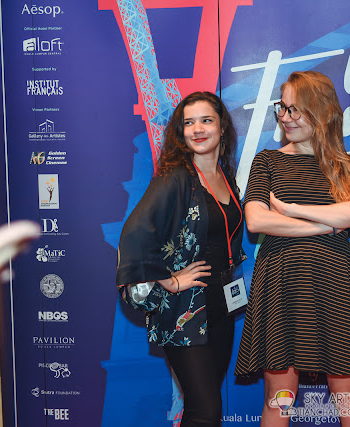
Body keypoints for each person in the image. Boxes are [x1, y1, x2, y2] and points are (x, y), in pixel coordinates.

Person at [235, 71, 350, 427]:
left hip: (334, 285)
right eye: (282, 109)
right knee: (279, 400)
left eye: (295, 110)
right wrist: (324, 225)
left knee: (349, 397)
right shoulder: (267, 161)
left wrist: (291, 210)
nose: (286, 118)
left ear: (321, 113)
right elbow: (257, 220)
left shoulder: (345, 164)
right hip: (281, 285)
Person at [116, 91, 245, 427]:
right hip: (183, 311)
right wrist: (170, 280)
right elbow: (134, 233)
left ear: (222, 128)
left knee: (203, 406)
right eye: (189, 122)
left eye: (206, 120)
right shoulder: (176, 176)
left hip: (220, 306)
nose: (197, 129)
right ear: (180, 131)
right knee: (206, 412)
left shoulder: (224, 176)